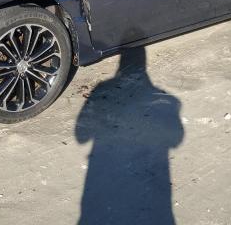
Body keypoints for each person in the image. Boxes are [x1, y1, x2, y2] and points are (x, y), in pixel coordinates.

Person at [75, 45, 184, 225]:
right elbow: (177, 139)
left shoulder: (102, 88)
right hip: (153, 195)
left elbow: (81, 136)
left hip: (101, 181)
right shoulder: (169, 101)